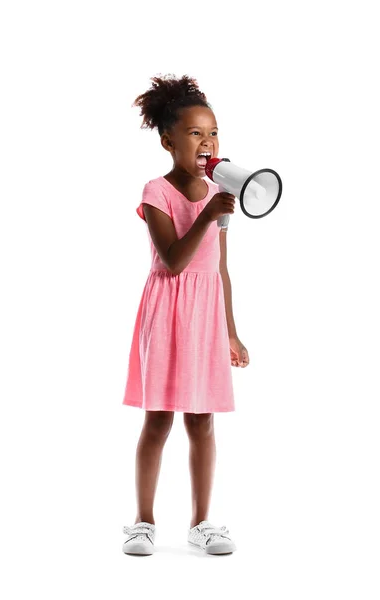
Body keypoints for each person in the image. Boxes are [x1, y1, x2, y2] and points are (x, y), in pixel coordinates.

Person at [122, 74, 250, 556]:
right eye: (196, 133)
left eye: (213, 132)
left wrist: (231, 333)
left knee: (203, 421)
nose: (208, 141)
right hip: (168, 311)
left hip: (207, 314)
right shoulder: (156, 191)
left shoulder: (219, 191)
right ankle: (143, 521)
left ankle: (202, 522)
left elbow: (219, 267)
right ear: (168, 140)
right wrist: (206, 213)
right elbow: (174, 261)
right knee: (159, 420)